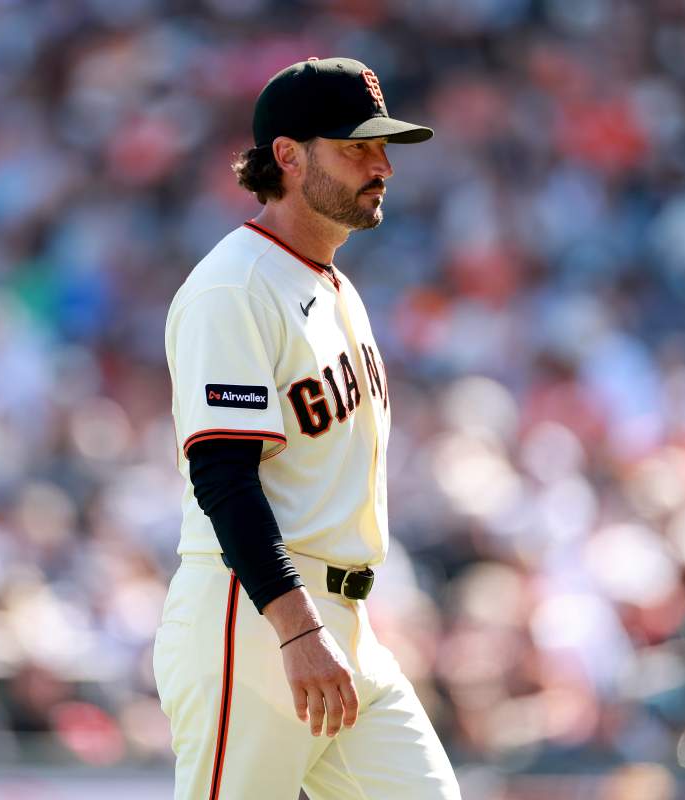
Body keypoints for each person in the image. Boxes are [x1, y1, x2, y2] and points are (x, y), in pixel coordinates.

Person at [155, 57, 461, 799]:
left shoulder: (332, 284)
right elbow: (223, 477)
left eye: (383, 147)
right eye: (357, 147)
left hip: (344, 621)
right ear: (288, 156)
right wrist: (297, 627)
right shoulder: (234, 287)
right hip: (254, 617)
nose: (382, 166)